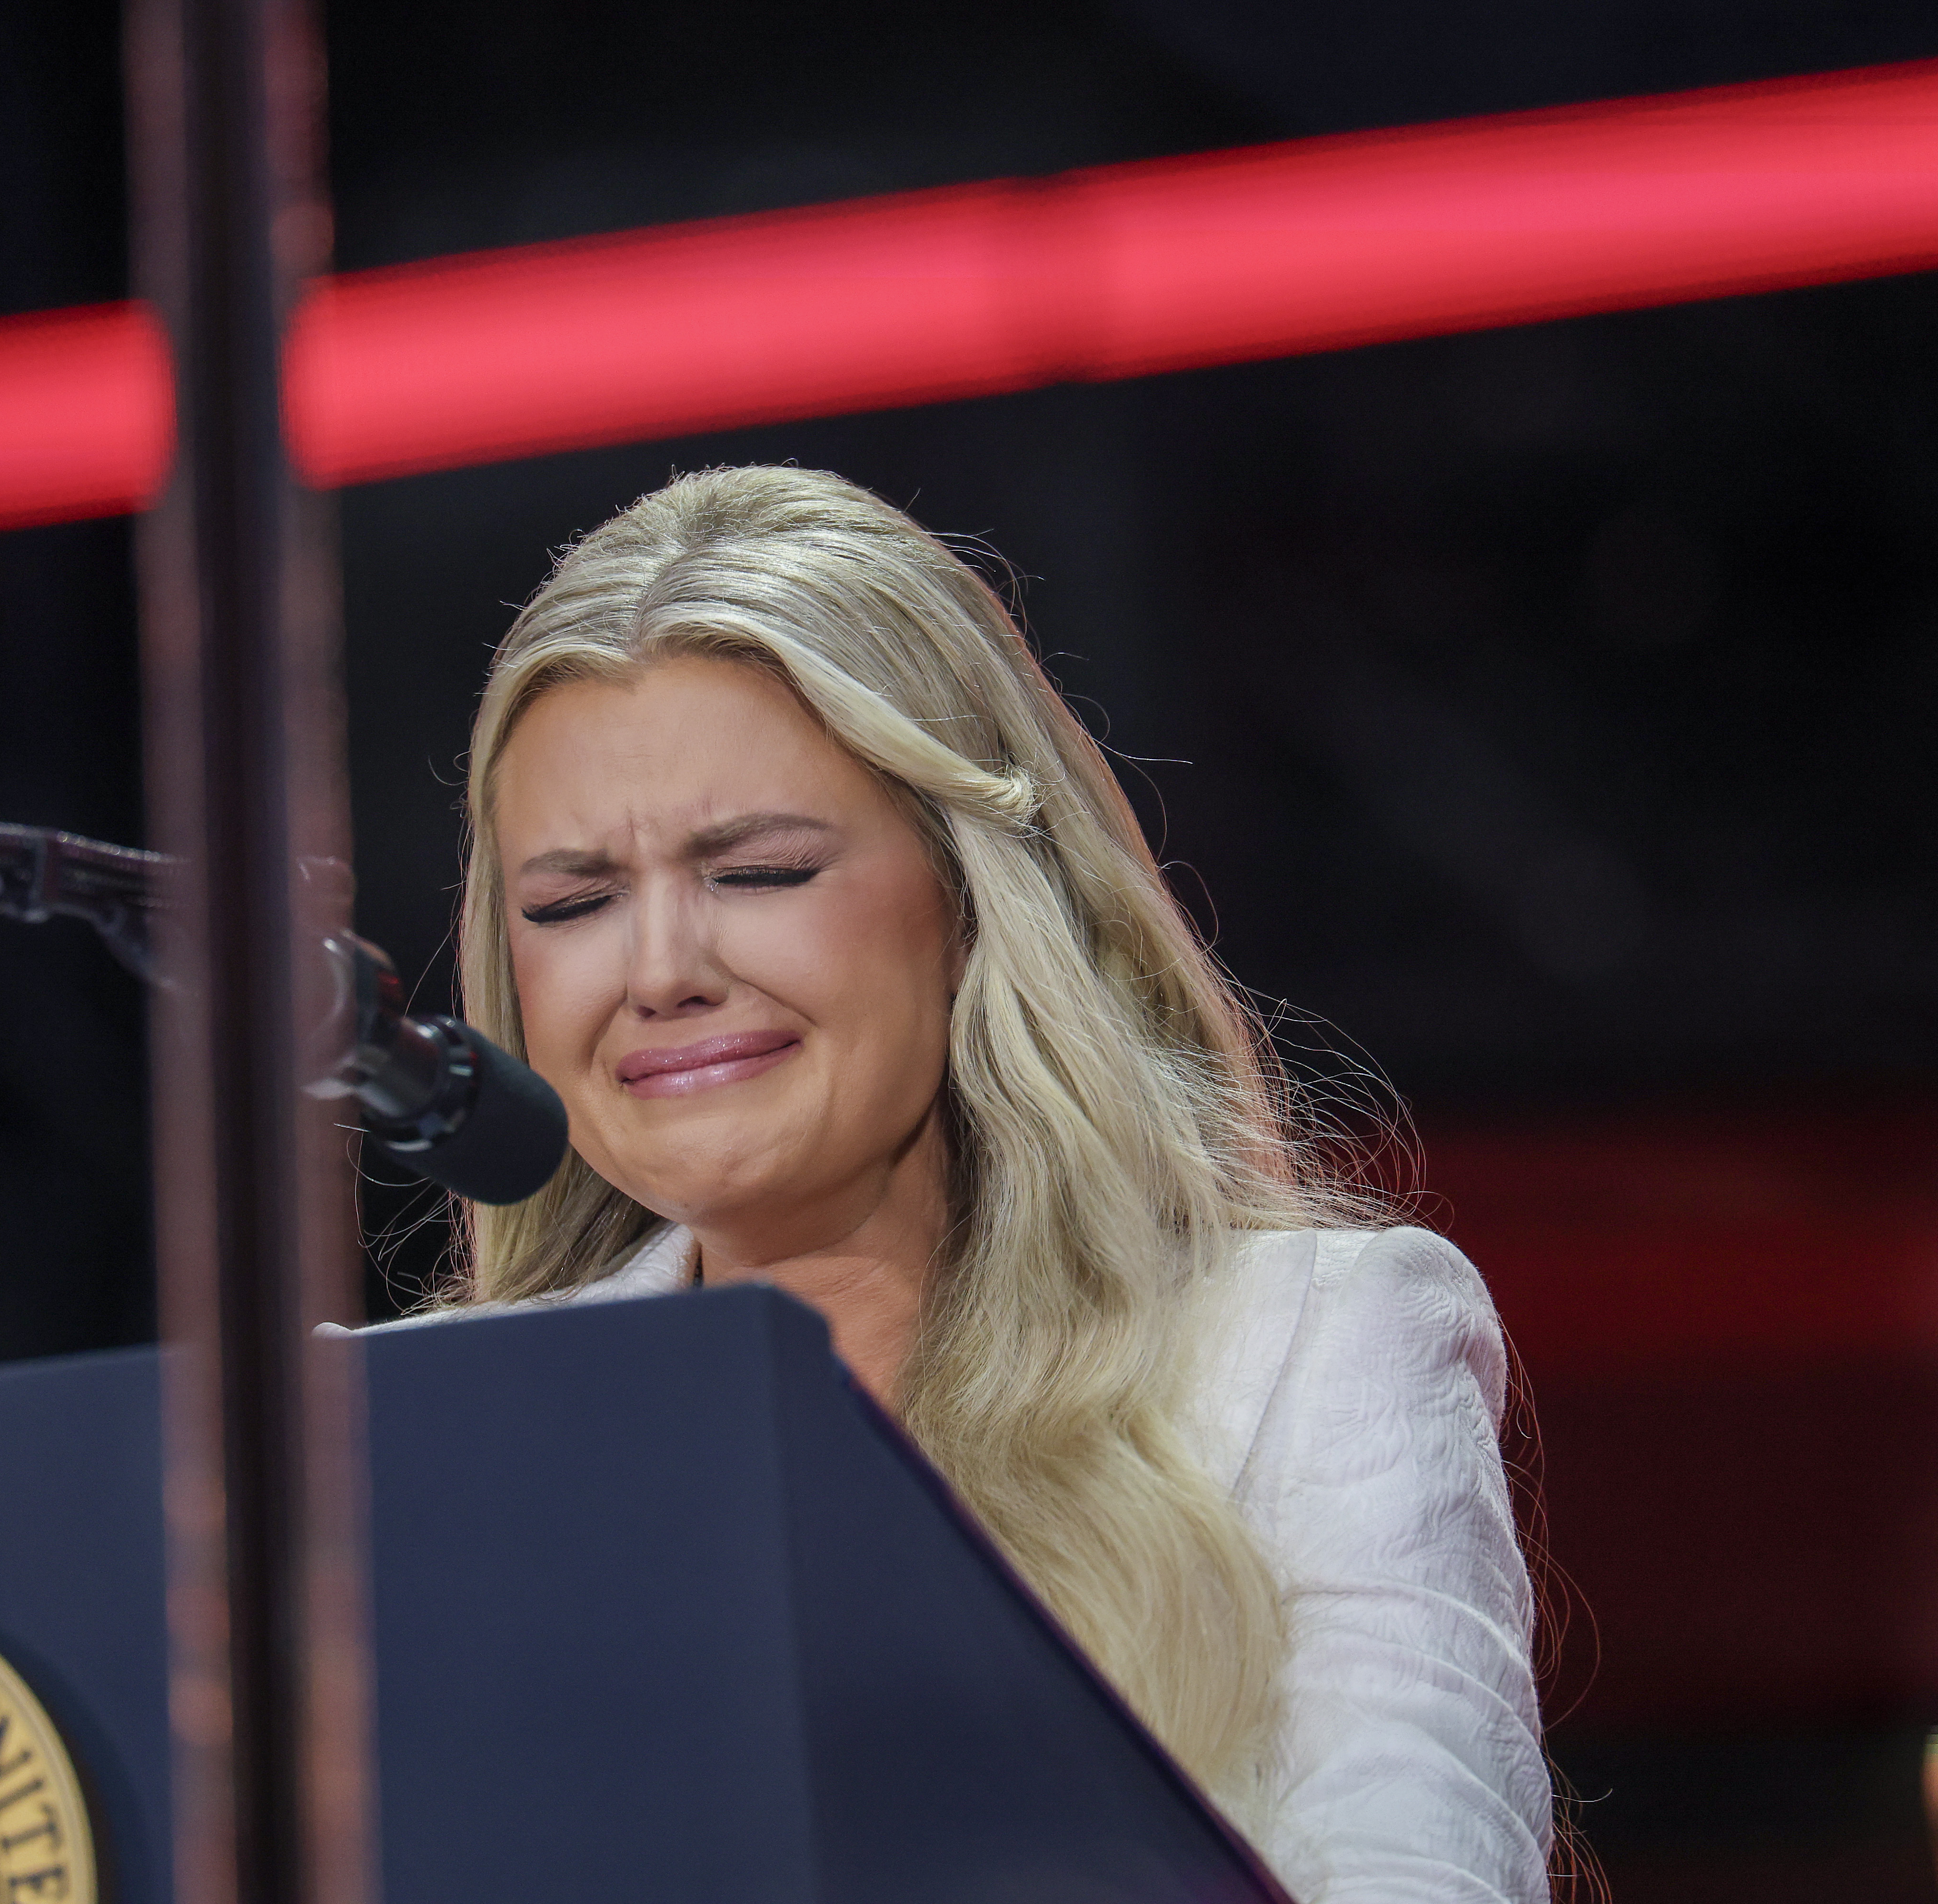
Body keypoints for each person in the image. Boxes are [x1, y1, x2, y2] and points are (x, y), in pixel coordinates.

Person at [394, 465, 1550, 1902]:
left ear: (968, 903)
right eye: (574, 902)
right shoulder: (391, 1446)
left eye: (759, 871)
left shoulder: (1308, 1351)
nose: (660, 971)